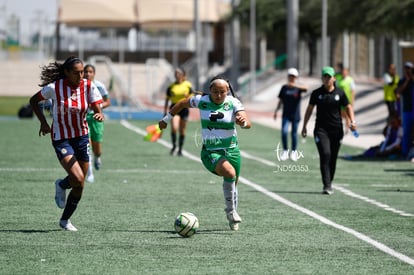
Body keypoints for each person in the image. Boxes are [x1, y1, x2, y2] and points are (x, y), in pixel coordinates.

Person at [158, 76, 251, 230]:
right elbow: (181, 103)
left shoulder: (233, 102)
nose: (219, 95)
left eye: (222, 92)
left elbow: (247, 123)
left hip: (232, 150)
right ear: (210, 91)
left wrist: (243, 122)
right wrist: (166, 119)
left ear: (227, 91)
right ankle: (231, 211)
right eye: (215, 92)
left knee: (234, 182)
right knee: (229, 172)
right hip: (210, 151)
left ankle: (231, 214)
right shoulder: (201, 100)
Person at [29, 56, 104, 231]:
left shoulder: (88, 86)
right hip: (61, 137)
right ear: (67, 73)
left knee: (80, 183)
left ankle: (64, 219)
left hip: (82, 136)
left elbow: (96, 105)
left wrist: (99, 113)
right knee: (77, 178)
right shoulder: (55, 88)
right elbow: (33, 101)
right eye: (77, 73)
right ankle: (63, 185)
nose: (81, 75)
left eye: (82, 72)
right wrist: (43, 122)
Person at [301, 66, 357, 195]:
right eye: (324, 76)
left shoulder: (340, 93)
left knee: (333, 157)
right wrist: (304, 126)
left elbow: (348, 107)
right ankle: (326, 185)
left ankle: (329, 181)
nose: (326, 79)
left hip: (337, 130)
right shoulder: (316, 93)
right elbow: (309, 110)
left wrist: (352, 121)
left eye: (328, 76)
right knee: (325, 153)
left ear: (333, 78)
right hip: (321, 130)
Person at [84, 64, 111, 183]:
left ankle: (98, 157)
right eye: (86, 71)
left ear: (94, 74)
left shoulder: (99, 86)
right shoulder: (80, 85)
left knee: (97, 149)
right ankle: (90, 173)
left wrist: (97, 106)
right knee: (87, 145)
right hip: (83, 118)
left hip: (96, 118)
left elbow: (107, 102)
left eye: (90, 72)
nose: (88, 74)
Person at [273, 68, 308, 161]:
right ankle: (285, 150)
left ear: (296, 77)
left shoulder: (298, 88)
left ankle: (293, 152)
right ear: (288, 77)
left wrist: (295, 85)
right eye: (290, 76)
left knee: (294, 134)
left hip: (295, 115)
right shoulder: (284, 88)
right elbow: (280, 100)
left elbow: (306, 88)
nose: (292, 78)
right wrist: (276, 111)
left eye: (293, 76)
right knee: (284, 132)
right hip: (286, 114)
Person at [163, 67, 194, 156]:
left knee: (182, 130)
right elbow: (167, 99)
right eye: (175, 73)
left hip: (184, 109)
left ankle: (180, 149)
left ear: (183, 75)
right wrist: (165, 111)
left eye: (178, 73)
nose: (176, 75)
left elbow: (192, 98)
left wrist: (187, 96)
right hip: (174, 108)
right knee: (174, 127)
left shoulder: (188, 85)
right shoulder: (171, 87)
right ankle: (174, 146)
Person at [395, 61, 414, 158]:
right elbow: (398, 92)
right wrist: (407, 80)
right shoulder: (402, 81)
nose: (408, 70)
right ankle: (405, 153)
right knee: (406, 132)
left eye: (409, 68)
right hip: (407, 110)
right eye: (406, 68)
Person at [336, 66, 356, 133]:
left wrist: (352, 101)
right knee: (340, 115)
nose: (343, 73)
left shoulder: (350, 80)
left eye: (345, 71)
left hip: (347, 100)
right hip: (339, 100)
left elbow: (353, 91)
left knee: (347, 115)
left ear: (347, 72)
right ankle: (339, 127)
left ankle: (347, 129)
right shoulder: (339, 79)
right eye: (342, 71)